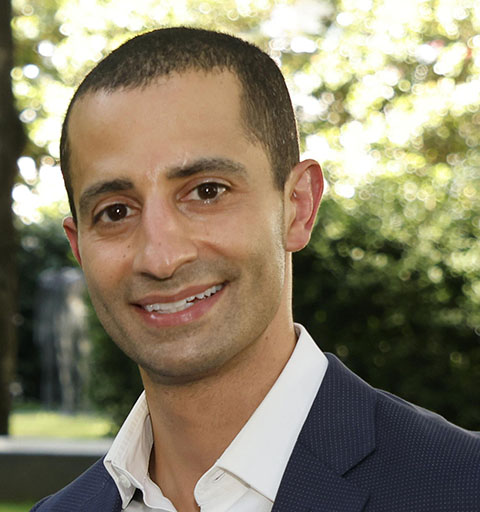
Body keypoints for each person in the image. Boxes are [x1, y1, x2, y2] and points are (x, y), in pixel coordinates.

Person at [31, 27, 480, 512]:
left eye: (207, 192)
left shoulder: (461, 488)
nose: (160, 257)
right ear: (79, 247)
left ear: (298, 206)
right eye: (115, 212)